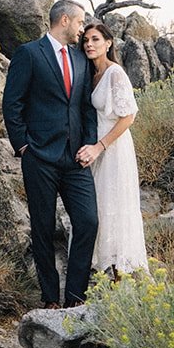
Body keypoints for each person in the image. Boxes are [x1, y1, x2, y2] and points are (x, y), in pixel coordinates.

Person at [1, 0, 99, 307]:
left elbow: (86, 107)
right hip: (39, 156)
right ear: (65, 20)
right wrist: (23, 145)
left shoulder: (81, 59)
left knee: (88, 221)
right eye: (81, 23)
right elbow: (12, 103)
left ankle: (74, 298)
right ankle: (50, 298)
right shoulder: (29, 54)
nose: (83, 30)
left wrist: (91, 144)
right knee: (42, 227)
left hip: (76, 158)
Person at [75, 20, 149, 275]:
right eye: (86, 40)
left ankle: (118, 268)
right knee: (98, 204)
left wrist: (100, 146)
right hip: (96, 145)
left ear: (108, 43)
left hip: (113, 146)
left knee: (114, 202)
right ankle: (101, 266)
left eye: (95, 39)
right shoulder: (90, 72)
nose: (89, 44)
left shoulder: (115, 73)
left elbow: (128, 117)